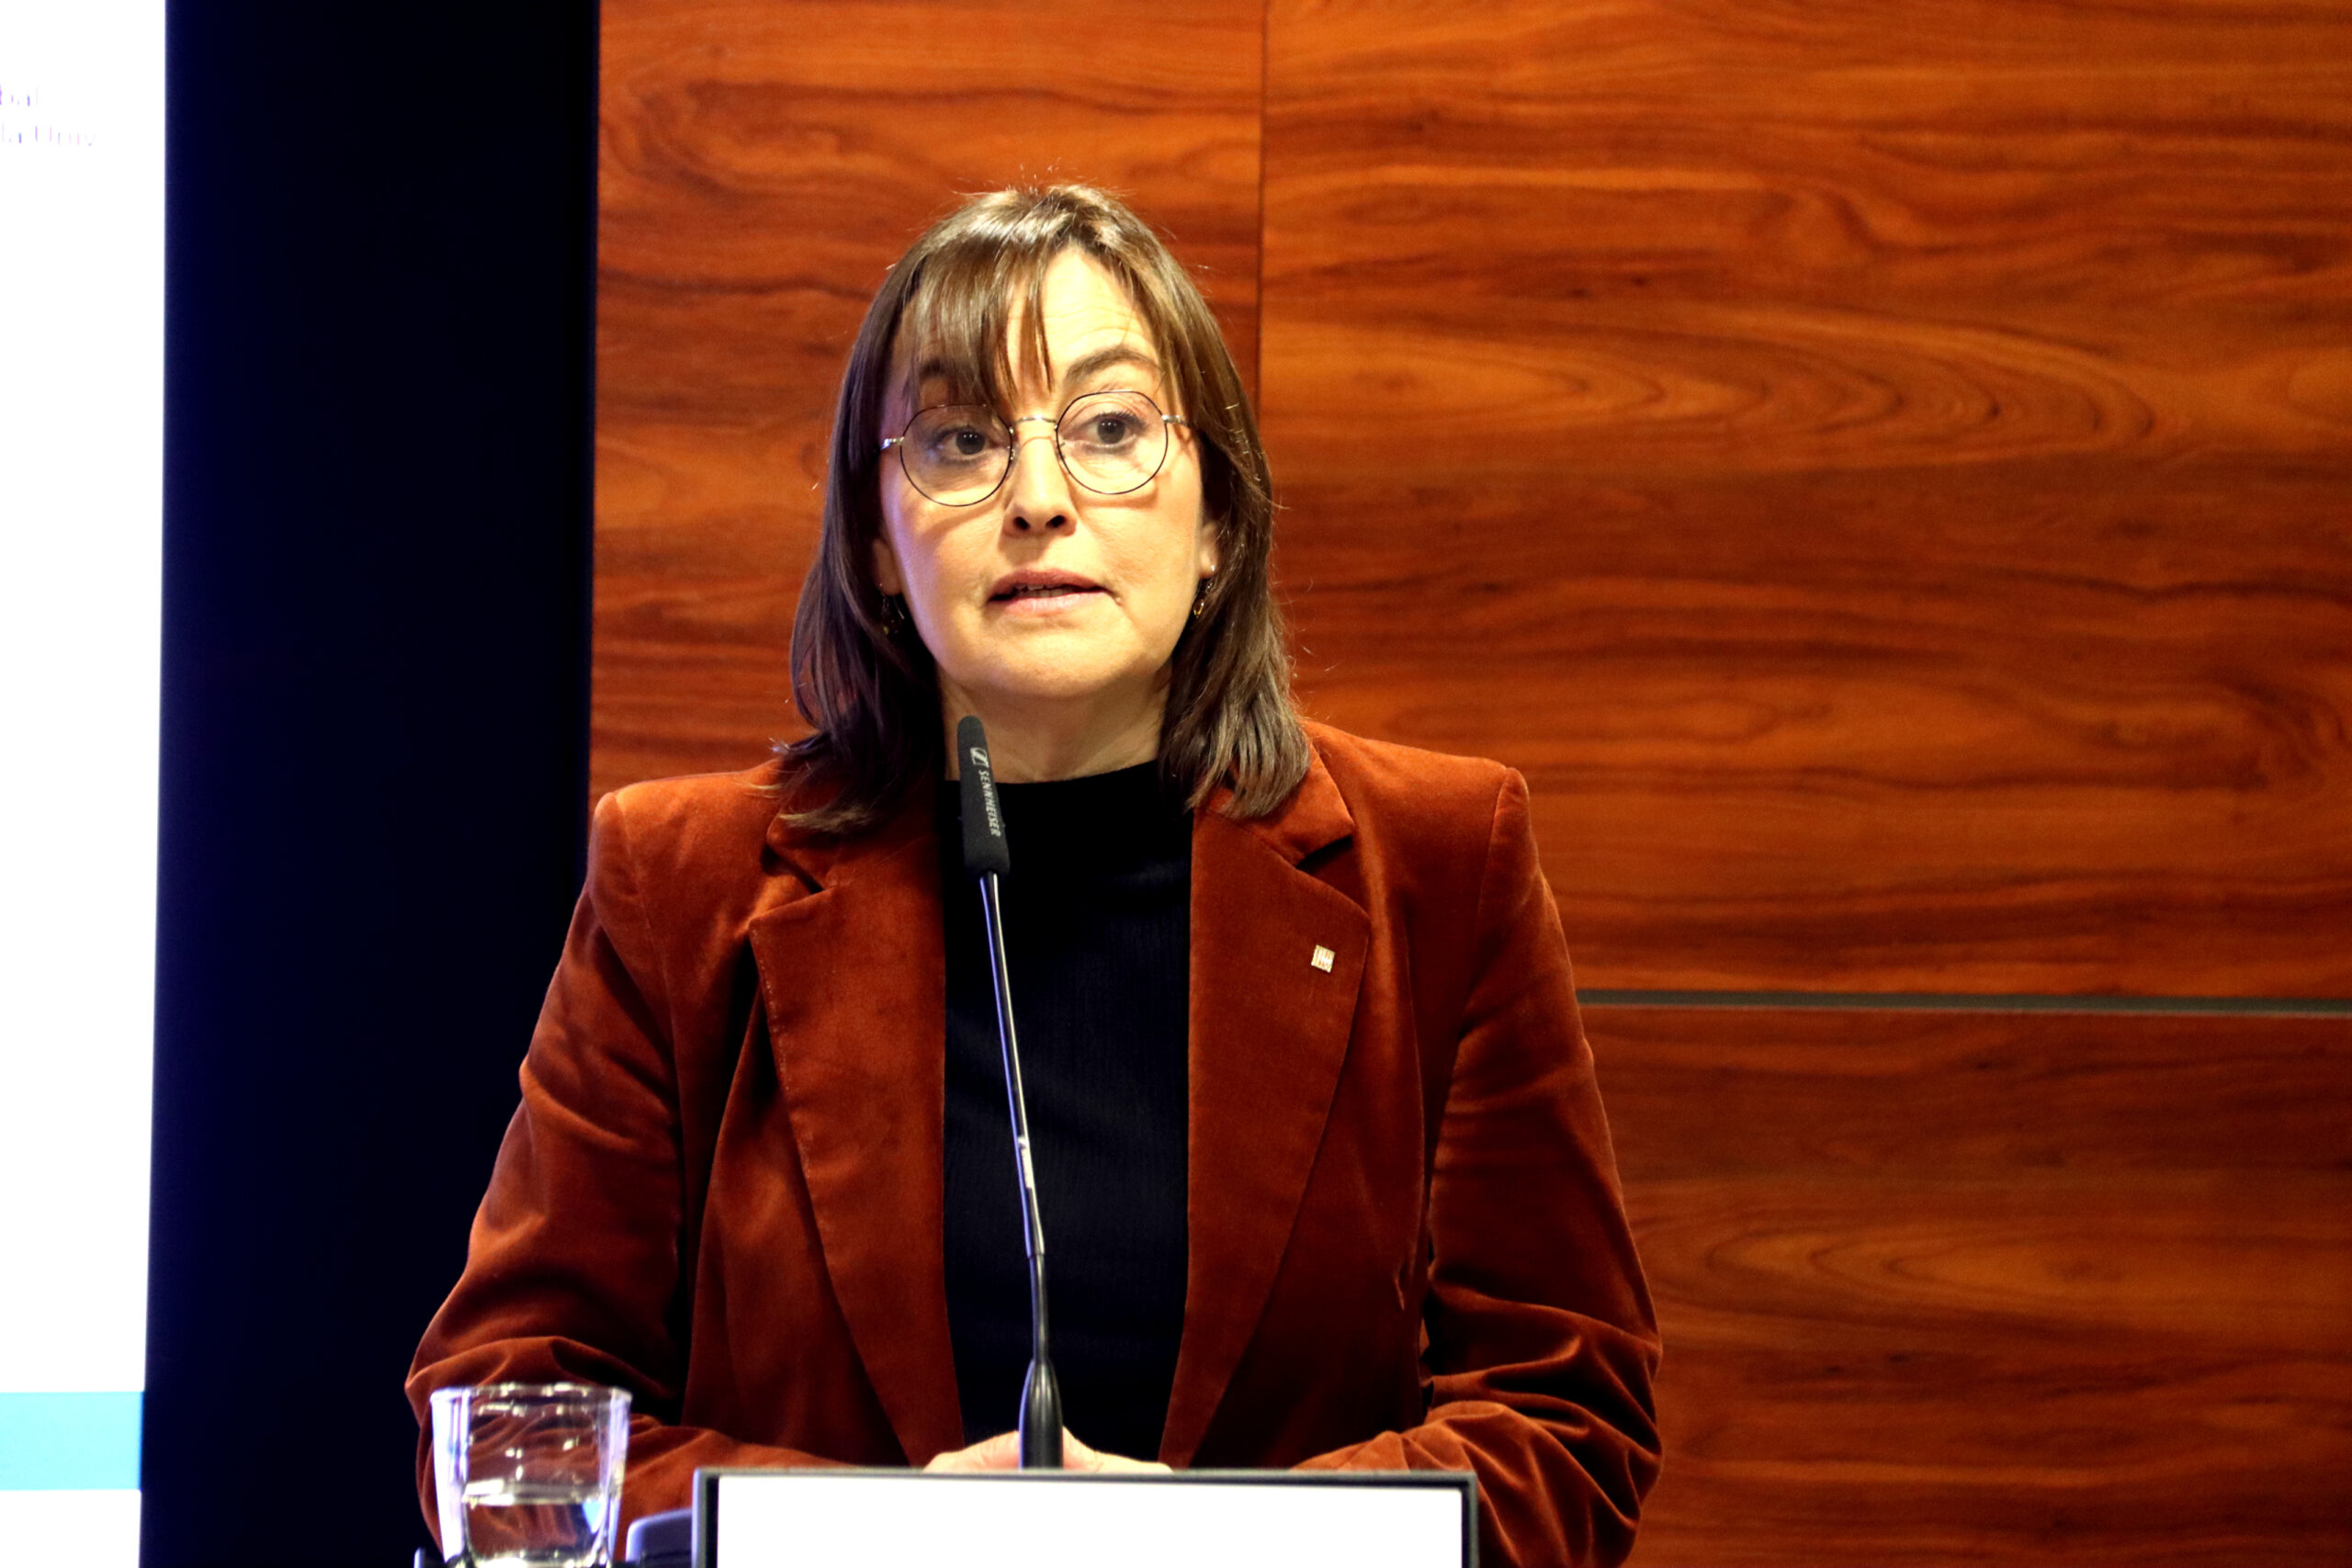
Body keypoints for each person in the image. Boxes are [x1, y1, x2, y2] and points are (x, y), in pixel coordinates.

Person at [407, 184, 1661, 1566]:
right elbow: (511, 1416)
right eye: (961, 439)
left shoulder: (1438, 860)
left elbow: (1566, 1414)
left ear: (1218, 519)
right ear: (877, 539)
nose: (1041, 499)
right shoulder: (682, 881)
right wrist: (892, 1544)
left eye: (1111, 428)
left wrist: (1195, 1551)